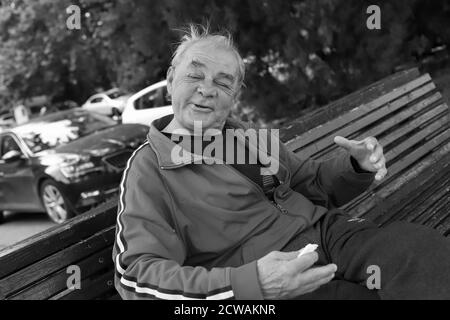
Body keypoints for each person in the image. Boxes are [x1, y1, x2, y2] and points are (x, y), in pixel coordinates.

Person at [112, 25, 450, 300]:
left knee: (421, 254)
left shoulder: (246, 135)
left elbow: (311, 183)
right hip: (272, 280)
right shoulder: (149, 168)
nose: (207, 90)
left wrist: (355, 166)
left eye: (223, 82)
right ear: (171, 79)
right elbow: (136, 277)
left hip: (329, 235)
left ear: (234, 95)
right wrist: (249, 284)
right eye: (194, 76)